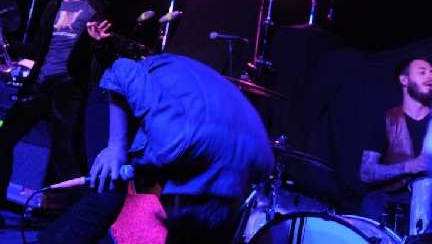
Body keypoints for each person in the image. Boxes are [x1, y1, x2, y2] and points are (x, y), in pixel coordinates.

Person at [37, 52, 274, 244]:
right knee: (107, 195)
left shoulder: (262, 163)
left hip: (182, 110)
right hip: (118, 93)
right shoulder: (177, 140)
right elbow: (121, 68)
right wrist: (115, 147)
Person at [0, 0, 115, 227]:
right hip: (38, 85)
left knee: (65, 157)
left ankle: (83, 222)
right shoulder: (53, 6)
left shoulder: (96, 6)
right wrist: (6, 42)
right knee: (1, 142)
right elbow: (38, 49)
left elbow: (103, 55)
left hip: (69, 88)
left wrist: (100, 43)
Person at [359, 56, 431, 235]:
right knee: (372, 202)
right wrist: (409, 166)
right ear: (404, 80)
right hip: (395, 200)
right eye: (422, 72)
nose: (430, 76)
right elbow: (366, 172)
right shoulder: (386, 120)